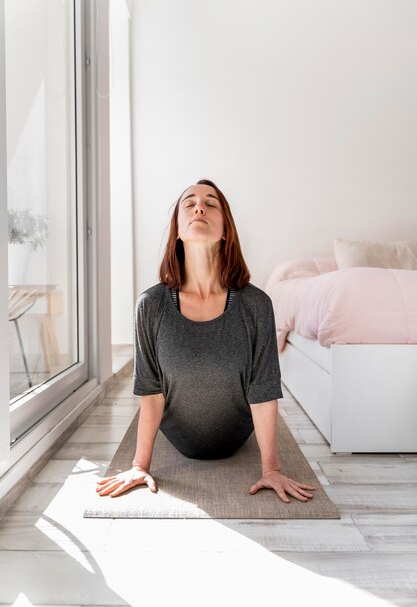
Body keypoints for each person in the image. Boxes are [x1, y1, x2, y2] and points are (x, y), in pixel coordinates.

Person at [96, 179, 315, 504]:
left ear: (226, 229)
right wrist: (139, 465)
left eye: (211, 203)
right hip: (178, 438)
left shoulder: (257, 305)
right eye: (190, 202)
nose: (200, 206)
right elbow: (151, 393)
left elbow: (263, 390)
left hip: (236, 438)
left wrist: (271, 468)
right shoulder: (150, 305)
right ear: (178, 230)